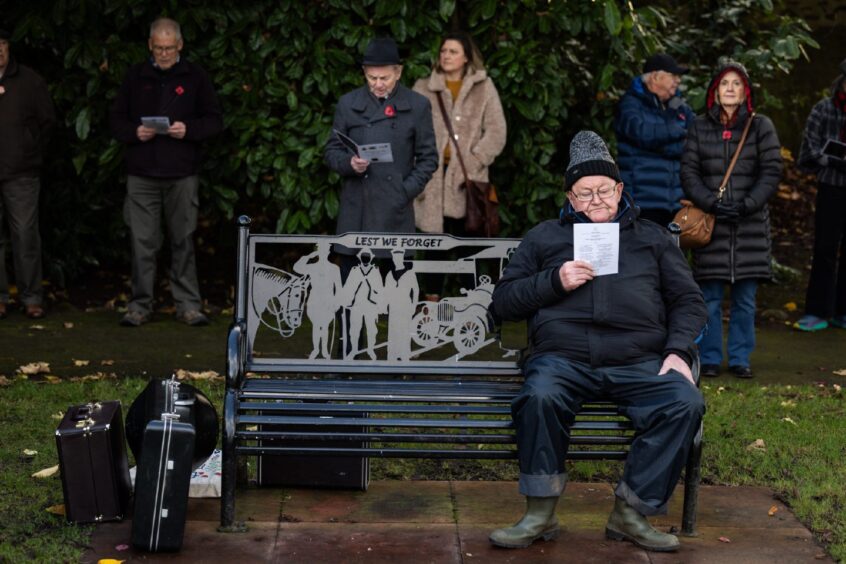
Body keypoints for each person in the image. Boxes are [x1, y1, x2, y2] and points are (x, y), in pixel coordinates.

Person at [489, 131, 706, 552]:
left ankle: (631, 513)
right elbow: (504, 302)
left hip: (638, 359)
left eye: (604, 190)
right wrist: (554, 280)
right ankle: (540, 512)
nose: (596, 201)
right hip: (562, 359)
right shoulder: (546, 237)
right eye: (585, 193)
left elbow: (689, 301)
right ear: (570, 198)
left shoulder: (652, 239)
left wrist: (678, 351)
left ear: (619, 189)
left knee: (685, 402)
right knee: (538, 396)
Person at [109, 17, 223, 327]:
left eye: (169, 48)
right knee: (142, 243)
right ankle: (140, 305)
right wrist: (136, 132)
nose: (164, 54)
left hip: (181, 173)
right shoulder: (136, 76)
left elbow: (214, 120)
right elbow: (115, 121)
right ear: (150, 45)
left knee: (183, 241)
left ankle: (188, 305)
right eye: (158, 48)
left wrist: (188, 130)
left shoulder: (195, 76)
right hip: (142, 174)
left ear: (180, 45)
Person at [680, 60, 782, 378]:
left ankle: (740, 358)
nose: (730, 89)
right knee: (709, 297)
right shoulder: (699, 127)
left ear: (745, 91)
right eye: (725, 83)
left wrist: (748, 204)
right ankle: (709, 358)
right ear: (714, 90)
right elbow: (688, 172)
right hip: (712, 224)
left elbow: (771, 170)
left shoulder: (761, 125)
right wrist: (711, 202)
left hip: (750, 225)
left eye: (737, 84)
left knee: (746, 300)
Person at [324, 37, 438, 277]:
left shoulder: (417, 105)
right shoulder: (348, 103)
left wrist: (404, 190)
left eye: (384, 78)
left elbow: (428, 158)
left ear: (398, 73)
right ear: (364, 73)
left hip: (395, 209)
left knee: (397, 295)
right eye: (371, 78)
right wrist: (349, 163)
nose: (378, 84)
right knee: (350, 293)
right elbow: (331, 151)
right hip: (357, 208)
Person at [412, 31, 506, 300]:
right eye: (443, 51)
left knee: (469, 244)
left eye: (453, 51)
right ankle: (430, 303)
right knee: (432, 242)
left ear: (466, 57)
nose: (446, 56)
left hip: (467, 178)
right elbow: (411, 130)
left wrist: (476, 159)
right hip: (432, 175)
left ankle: (473, 305)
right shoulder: (423, 87)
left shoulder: (483, 86)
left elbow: (497, 131)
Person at [0, 26, 56, 320]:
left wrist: (31, 153)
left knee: (25, 236)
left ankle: (32, 297)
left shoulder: (29, 80)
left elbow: (47, 123)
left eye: (2, 43)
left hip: (21, 172)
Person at [794, 58, 846, 332]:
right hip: (831, 186)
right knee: (825, 248)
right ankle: (817, 311)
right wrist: (833, 159)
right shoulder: (824, 109)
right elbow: (809, 149)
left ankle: (842, 311)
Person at [615, 53, 695, 228]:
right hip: (642, 203)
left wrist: (659, 142)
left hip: (677, 204)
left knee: (673, 255)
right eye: (673, 76)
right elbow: (642, 134)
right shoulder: (631, 104)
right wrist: (678, 132)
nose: (678, 81)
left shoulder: (680, 106)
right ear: (655, 77)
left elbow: (696, 140)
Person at [293, 241, 342, 359]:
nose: (323, 253)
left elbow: (339, 287)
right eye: (321, 250)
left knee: (325, 326)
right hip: (314, 300)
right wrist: (308, 257)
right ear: (318, 252)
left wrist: (337, 302)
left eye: (326, 250)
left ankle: (324, 351)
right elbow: (297, 268)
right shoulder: (312, 267)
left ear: (329, 252)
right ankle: (315, 349)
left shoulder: (334, 268)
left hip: (328, 300)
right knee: (316, 325)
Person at [383, 248, 419, 361]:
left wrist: (414, 305)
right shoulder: (390, 274)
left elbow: (416, 290)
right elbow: (386, 291)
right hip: (394, 307)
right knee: (393, 331)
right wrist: (385, 305)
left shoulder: (410, 274)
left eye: (399, 257)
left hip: (405, 305)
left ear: (402, 258)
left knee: (404, 331)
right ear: (393, 258)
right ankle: (392, 357)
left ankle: (404, 357)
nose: (396, 259)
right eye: (395, 257)